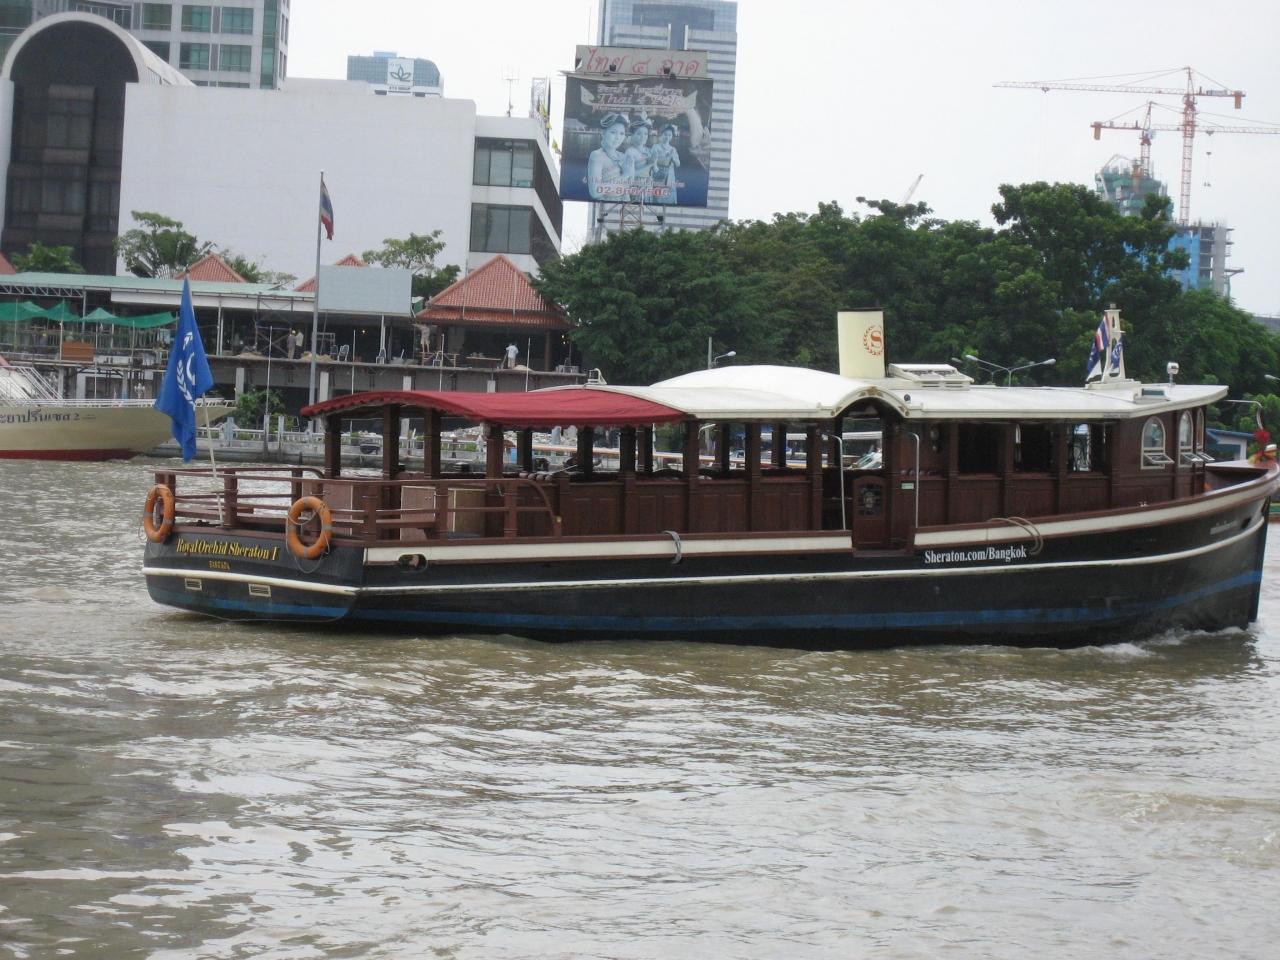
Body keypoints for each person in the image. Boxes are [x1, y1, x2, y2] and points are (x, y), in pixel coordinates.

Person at [586, 112, 631, 201]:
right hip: (605, 205)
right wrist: (624, 176)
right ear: (603, 133)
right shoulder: (597, 156)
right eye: (613, 132)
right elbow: (594, 192)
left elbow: (626, 188)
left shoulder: (622, 156)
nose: (618, 137)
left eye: (622, 133)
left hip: (623, 204)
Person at [649, 124, 681, 204]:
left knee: (668, 196)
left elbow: (678, 164)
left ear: (672, 136)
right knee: (657, 196)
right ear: (661, 134)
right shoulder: (656, 146)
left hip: (669, 175)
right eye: (665, 134)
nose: (667, 137)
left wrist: (673, 158)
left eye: (669, 135)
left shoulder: (673, 149)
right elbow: (651, 162)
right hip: (657, 175)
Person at [624, 116, 654, 194]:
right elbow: (630, 174)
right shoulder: (630, 152)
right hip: (636, 185)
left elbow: (654, 170)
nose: (643, 137)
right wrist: (649, 164)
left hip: (648, 184)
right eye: (639, 133)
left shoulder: (648, 150)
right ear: (632, 135)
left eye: (645, 134)